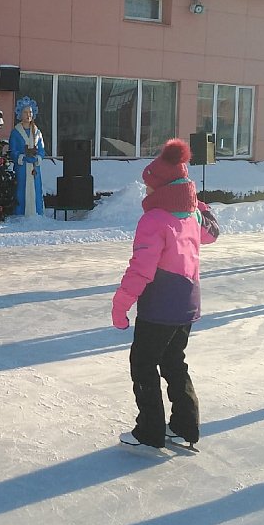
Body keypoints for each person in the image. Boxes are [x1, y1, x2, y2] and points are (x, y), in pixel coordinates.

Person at [111, 138, 220, 450]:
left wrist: (121, 306)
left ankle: (150, 430)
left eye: (149, 186)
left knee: (143, 363)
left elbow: (141, 269)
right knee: (174, 361)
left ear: (160, 187)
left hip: (159, 307)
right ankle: (185, 426)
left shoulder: (154, 219)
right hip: (187, 305)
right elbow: (212, 233)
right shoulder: (191, 215)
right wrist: (197, 203)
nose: (145, 192)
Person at [9, 96, 46, 216]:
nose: (28, 115)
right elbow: (12, 150)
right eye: (25, 112)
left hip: (35, 168)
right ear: (20, 114)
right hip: (22, 168)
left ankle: (37, 212)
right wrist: (22, 157)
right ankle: (21, 213)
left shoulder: (37, 132)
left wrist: (38, 158)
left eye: (30, 112)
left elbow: (41, 149)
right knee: (21, 190)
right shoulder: (15, 132)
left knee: (36, 189)